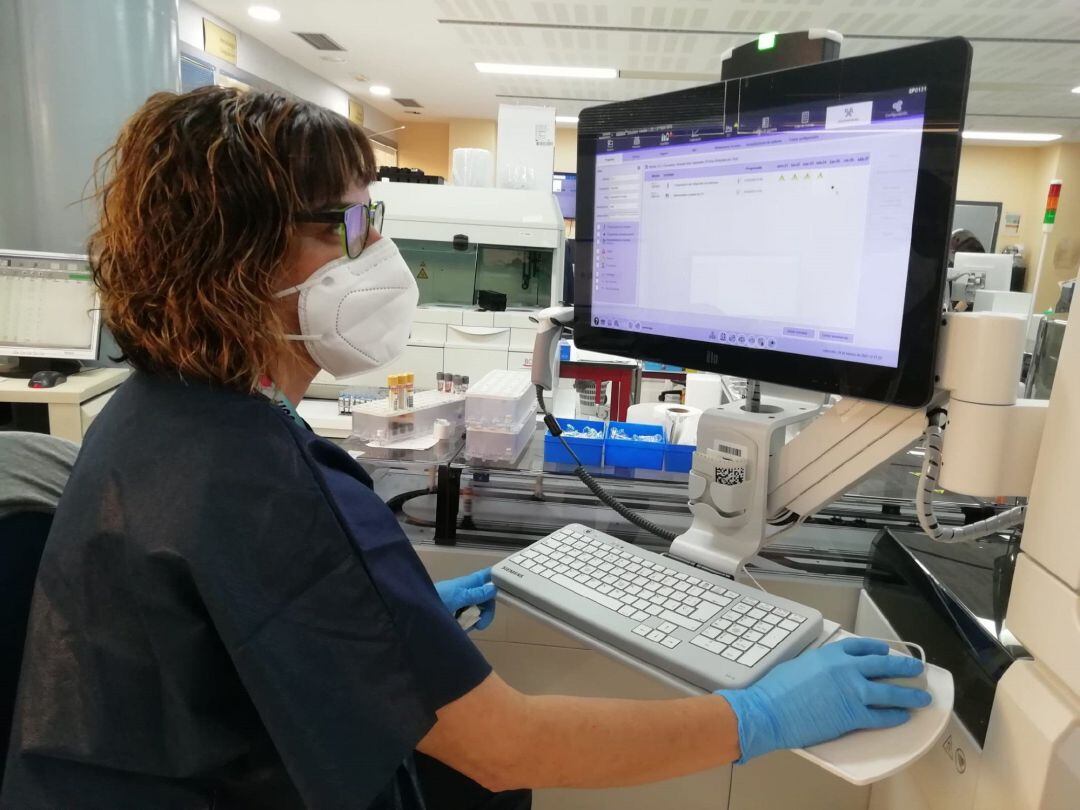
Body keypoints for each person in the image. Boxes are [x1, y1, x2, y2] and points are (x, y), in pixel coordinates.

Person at [1, 87, 930, 810]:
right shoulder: (259, 477)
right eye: (351, 225)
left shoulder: (159, 410)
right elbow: (503, 744)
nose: (379, 258)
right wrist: (760, 714)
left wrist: (381, 627)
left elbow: (216, 629)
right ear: (235, 256)